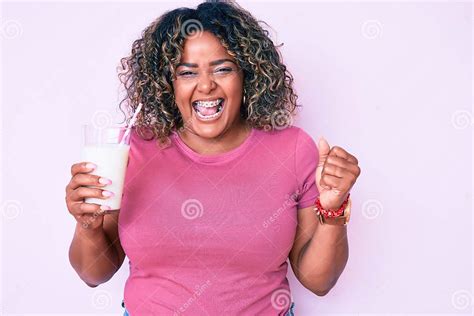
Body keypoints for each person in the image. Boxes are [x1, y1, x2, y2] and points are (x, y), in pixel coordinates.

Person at [66, 1, 361, 315]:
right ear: (168, 83)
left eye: (222, 68)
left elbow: (319, 281)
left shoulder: (293, 149)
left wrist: (333, 211)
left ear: (247, 74)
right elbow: (93, 274)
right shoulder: (132, 149)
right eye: (187, 72)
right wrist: (88, 225)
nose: (206, 85)